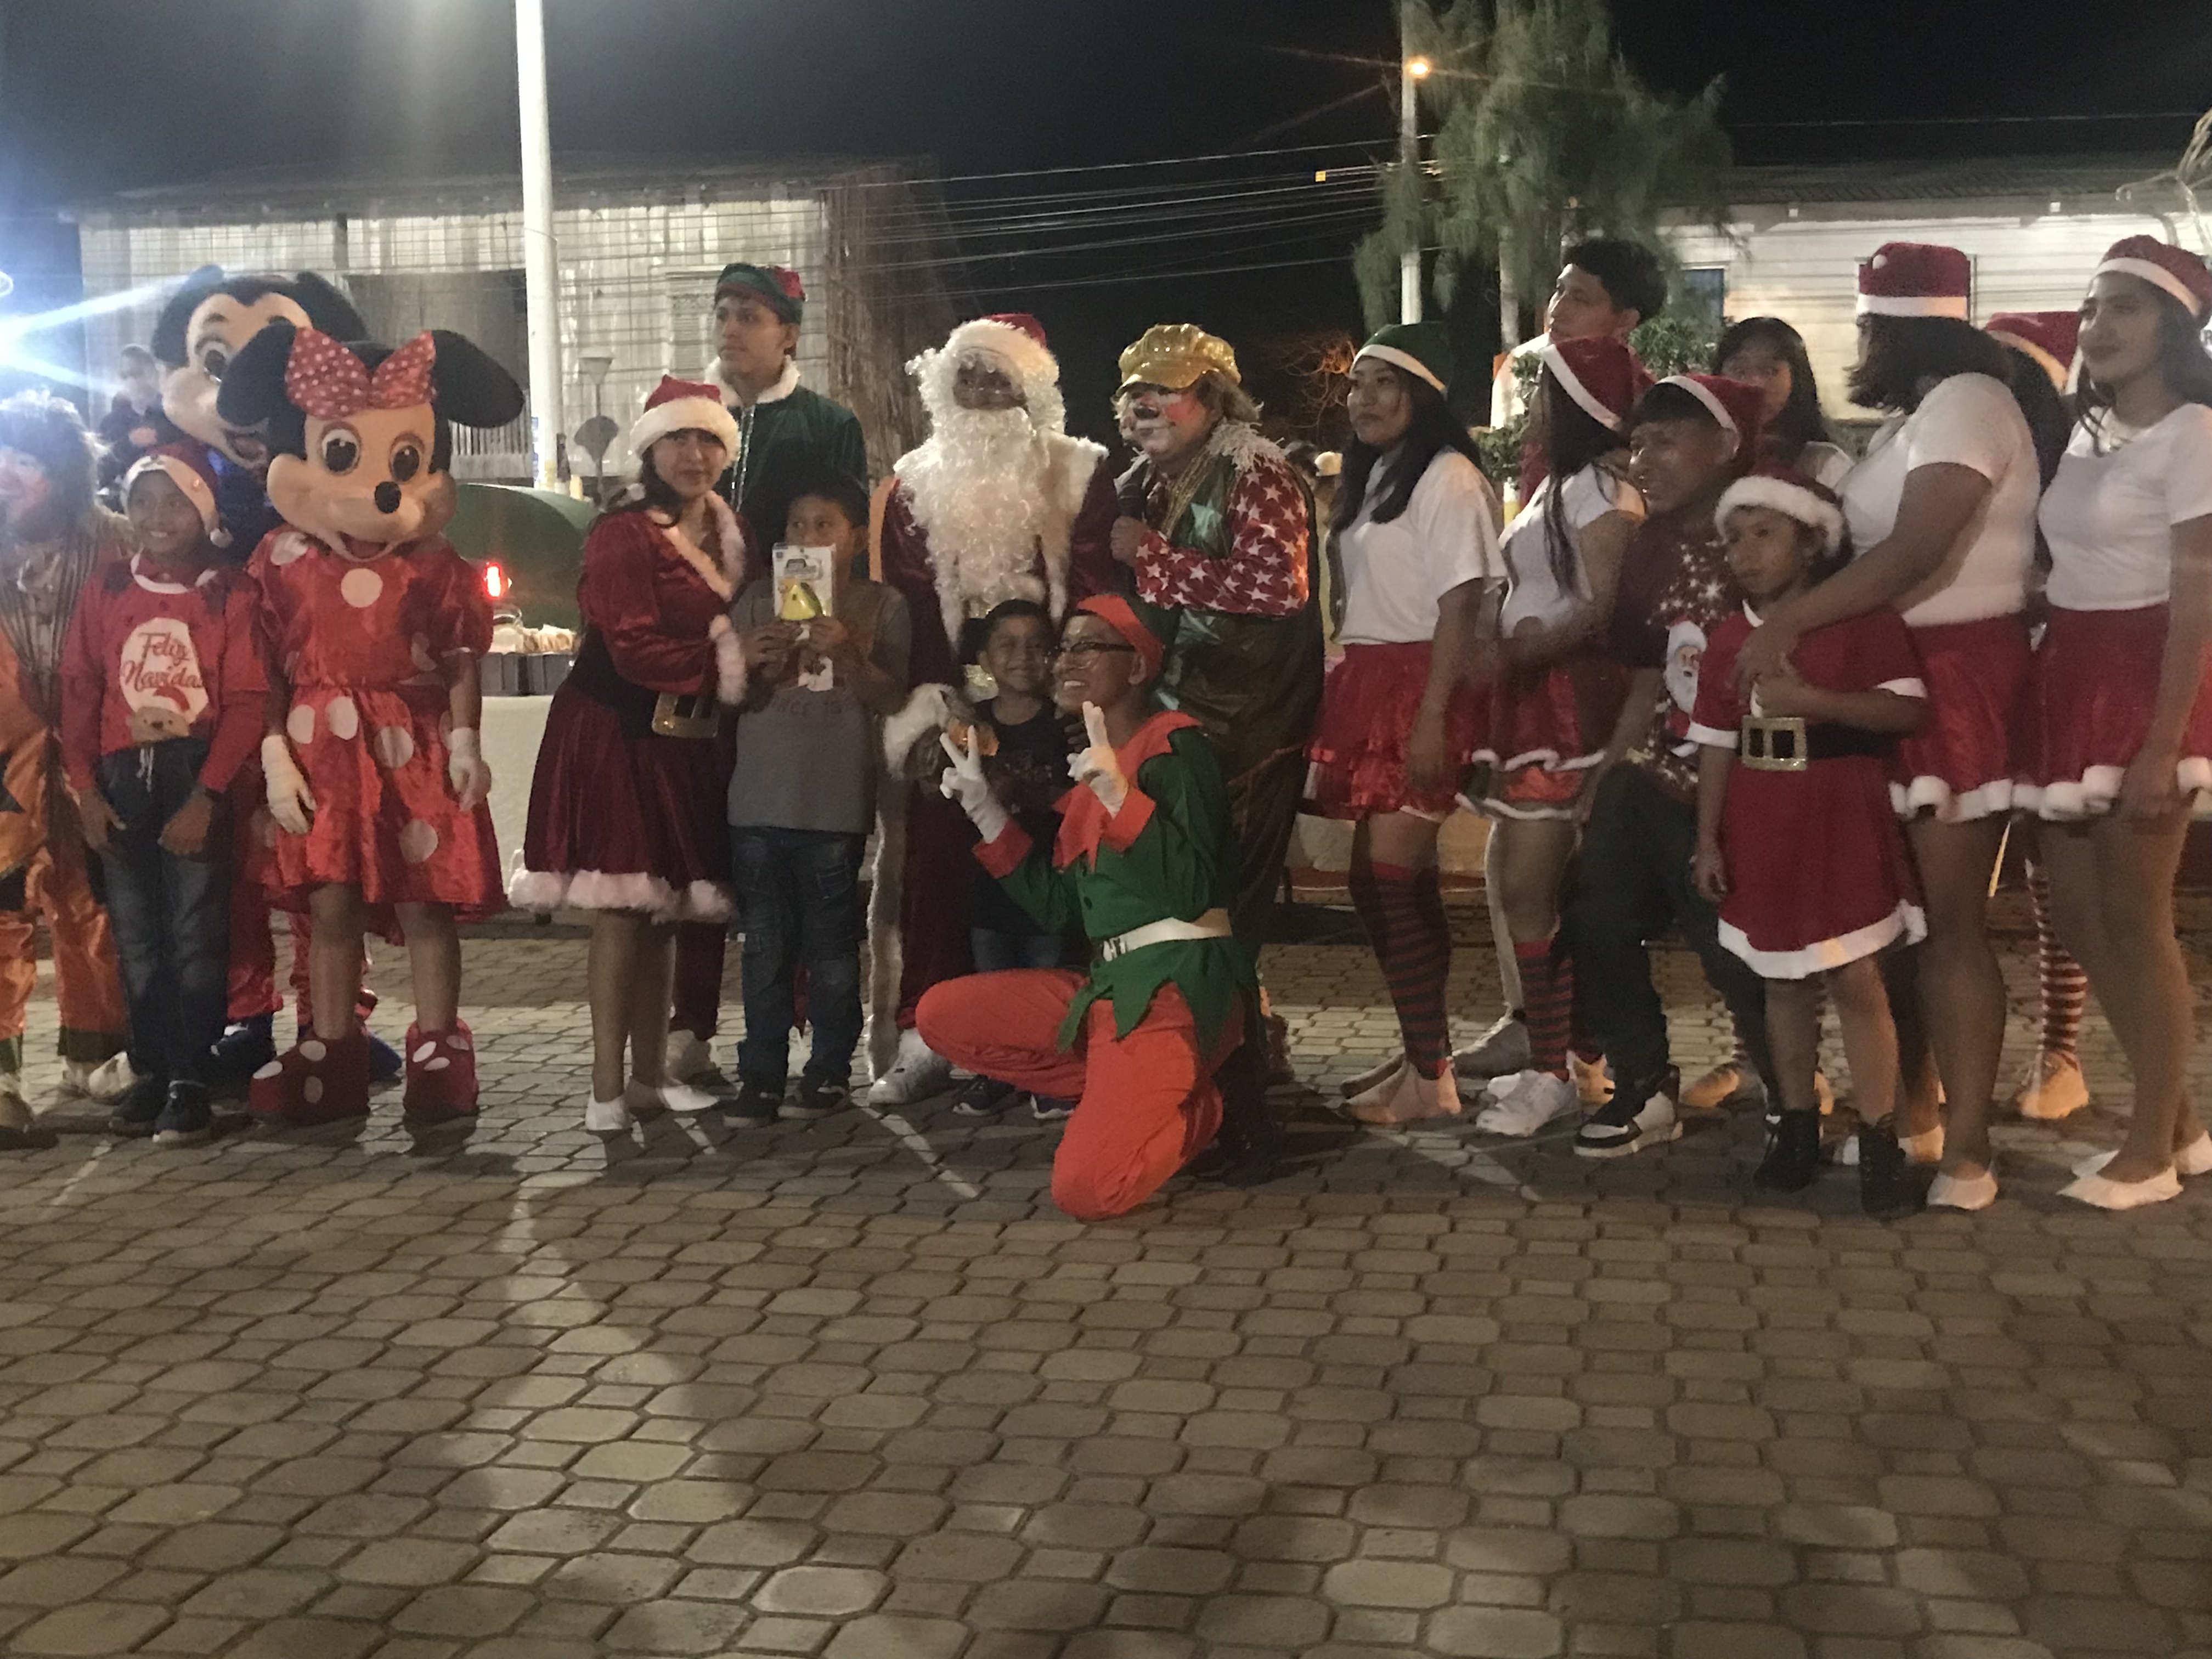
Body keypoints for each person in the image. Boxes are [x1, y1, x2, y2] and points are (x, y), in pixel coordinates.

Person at [1734, 243, 2045, 1205]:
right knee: (1897, 926)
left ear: (1903, 327)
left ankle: (1969, 1149)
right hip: (1891, 670)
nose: (1858, 343)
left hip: (1955, 679)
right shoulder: (1918, 417)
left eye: (1868, 325)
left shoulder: (1968, 403)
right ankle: (1912, 1114)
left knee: (1949, 926)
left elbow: (1914, 549)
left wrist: (1787, 623)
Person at [215, 323, 522, 1129]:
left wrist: (465, 741)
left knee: (426, 900)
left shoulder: (434, 563)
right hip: (320, 749)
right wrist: (275, 754)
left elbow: (460, 655)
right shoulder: (280, 560)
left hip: (412, 745)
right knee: (331, 903)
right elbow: (266, 666)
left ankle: (438, 1045)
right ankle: (332, 1045)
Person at [920, 595, 1254, 1221]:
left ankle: (1203, 1109)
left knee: (1087, 1190)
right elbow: (1057, 908)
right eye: (1065, 647)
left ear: (1138, 668)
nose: (1067, 661)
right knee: (940, 1016)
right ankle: (1124, 1091)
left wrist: (1122, 798)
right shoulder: (1097, 769)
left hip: (1174, 991)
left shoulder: (1176, 749)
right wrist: (985, 812)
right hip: (1109, 987)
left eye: (1090, 646)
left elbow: (1193, 892)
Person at [866, 314, 1119, 1105]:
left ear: (1028, 388)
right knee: (940, 870)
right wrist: (938, 713)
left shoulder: (1078, 472)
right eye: (967, 375)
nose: (980, 391)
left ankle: (1067, 1036)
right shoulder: (913, 481)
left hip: (1056, 704)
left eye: (997, 377)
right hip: (957, 709)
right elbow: (911, 607)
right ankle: (930, 1035)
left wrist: (1074, 696)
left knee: (1066, 865)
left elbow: (1096, 593)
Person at [2016, 236, 2212, 1210]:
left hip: (2146, 675)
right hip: (2070, 672)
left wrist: (2165, 740)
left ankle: (2149, 1151)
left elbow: (2197, 593)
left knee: (2138, 922)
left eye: (2125, 308)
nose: (2098, 326)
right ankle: (2180, 1124)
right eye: (2092, 307)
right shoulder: (2087, 432)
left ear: (2174, 327)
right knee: (2079, 915)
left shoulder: (2195, 432)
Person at [1690, 466, 1929, 1215]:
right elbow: (1717, 744)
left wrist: (1812, 700)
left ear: (1812, 541)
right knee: (1782, 981)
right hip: (1763, 819)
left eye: (1765, 534)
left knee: (1855, 977)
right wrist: (1708, 839)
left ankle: (1882, 1138)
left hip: (1839, 810)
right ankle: (1795, 1124)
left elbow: (1904, 712)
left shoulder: (1861, 623)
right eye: (1735, 539)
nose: (1746, 553)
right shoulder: (1728, 636)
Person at [512, 378, 749, 1133]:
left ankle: (650, 1078)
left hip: (682, 740)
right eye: (679, 439)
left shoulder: (727, 528)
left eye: (709, 439)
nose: (694, 454)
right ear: (650, 448)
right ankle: (605, 1089)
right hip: (614, 731)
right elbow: (633, 646)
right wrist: (734, 662)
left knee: (665, 912)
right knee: (620, 909)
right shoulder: (623, 532)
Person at [1113, 323, 1323, 1175]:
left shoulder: (1257, 474)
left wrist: (1152, 558)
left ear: (1214, 400)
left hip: (1250, 736)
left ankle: (1244, 1118)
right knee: (1189, 918)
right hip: (1184, 732)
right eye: (1135, 392)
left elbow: (1278, 587)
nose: (1146, 407)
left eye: (1166, 390)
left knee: (1221, 922)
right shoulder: (1148, 480)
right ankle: (1208, 1097)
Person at [1465, 235, 1666, 1084]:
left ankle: (1565, 1061)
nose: (1557, 308)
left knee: (1540, 887)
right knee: (1516, 877)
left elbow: (1605, 606)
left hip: (1571, 702)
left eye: (1579, 295)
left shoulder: (1608, 485)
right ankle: (1550, 1044)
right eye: (1559, 291)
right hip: (1536, 695)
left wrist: (1522, 647)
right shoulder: (1559, 480)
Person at [1560, 373, 1776, 1160]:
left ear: (1726, 443)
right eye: (1637, 444)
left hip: (1742, 775)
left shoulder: (1767, 530)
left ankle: (1790, 1091)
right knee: (1596, 917)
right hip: (1653, 764)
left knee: (1733, 945)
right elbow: (1650, 672)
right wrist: (1606, 771)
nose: (1643, 460)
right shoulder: (1650, 543)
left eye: (1665, 441)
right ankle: (1644, 1083)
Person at [669, 261, 869, 1088]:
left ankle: (808, 1038)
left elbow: (847, 540)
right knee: (699, 842)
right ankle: (691, 1024)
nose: (730, 328)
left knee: (792, 853)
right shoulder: (688, 416)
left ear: (788, 332)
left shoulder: (826, 423)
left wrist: (830, 640)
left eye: (749, 316)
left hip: (791, 658)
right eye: (722, 312)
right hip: (696, 651)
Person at [1302, 324, 1494, 1127]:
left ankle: (1432, 1077)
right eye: (1358, 384)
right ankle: (1424, 1057)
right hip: (1372, 679)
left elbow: (1463, 602)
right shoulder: (1377, 475)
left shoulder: (1449, 476)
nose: (1365, 398)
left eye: (1385, 382)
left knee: (1391, 878)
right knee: (1378, 885)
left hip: (1421, 684)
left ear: (1424, 394)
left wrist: (1433, 718)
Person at [60, 447, 267, 1146]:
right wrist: (85, 789)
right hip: (120, 779)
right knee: (136, 940)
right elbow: (80, 687)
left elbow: (246, 700)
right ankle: (150, 1068)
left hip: (194, 775)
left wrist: (207, 796)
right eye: (143, 501)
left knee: (195, 935)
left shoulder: (230, 593)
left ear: (203, 512)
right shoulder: (109, 585)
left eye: (175, 502)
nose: (158, 517)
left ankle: (190, 1076)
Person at [723, 472, 910, 1126]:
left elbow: (893, 697)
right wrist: (750, 661)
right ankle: (761, 1074)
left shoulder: (883, 605)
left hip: (834, 805)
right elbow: (730, 700)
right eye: (797, 526)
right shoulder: (755, 601)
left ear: (855, 538)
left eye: (824, 526)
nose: (808, 537)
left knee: (831, 947)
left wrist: (850, 655)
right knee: (764, 946)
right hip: (757, 803)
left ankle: (828, 1069)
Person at [0, 393, 133, 1142]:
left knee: (94, 904)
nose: (6, 475)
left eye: (25, 461)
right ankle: (0, 1076)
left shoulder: (114, 542)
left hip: (93, 750)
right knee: (2, 909)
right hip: (5, 755)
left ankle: (97, 1052)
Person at [1983, 310, 2095, 1124]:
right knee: (1954, 878)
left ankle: (2062, 1052)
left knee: (2055, 879)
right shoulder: (1947, 455)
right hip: (1970, 681)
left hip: (2055, 677)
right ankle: (1937, 1056)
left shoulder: (2076, 473)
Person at [946, 599, 1083, 1123]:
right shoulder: (972, 724)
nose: (1023, 657)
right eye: (1008, 645)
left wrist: (1029, 791)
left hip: (1049, 878)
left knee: (1047, 985)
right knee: (995, 986)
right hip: (989, 886)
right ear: (984, 657)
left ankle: (1050, 1073)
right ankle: (1000, 1072)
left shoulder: (1067, 724)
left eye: (1037, 645)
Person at [1713, 318, 1852, 489]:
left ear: (1797, 378)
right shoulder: (1702, 458)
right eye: (1740, 371)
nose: (1755, 384)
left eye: (1771, 371)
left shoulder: (1825, 465)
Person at [95, 345, 165, 499]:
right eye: (125, 376)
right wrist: (129, 443)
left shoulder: (173, 414)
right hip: (128, 500)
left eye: (137, 373)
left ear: (154, 372)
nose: (131, 381)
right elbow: (99, 475)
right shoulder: (111, 423)